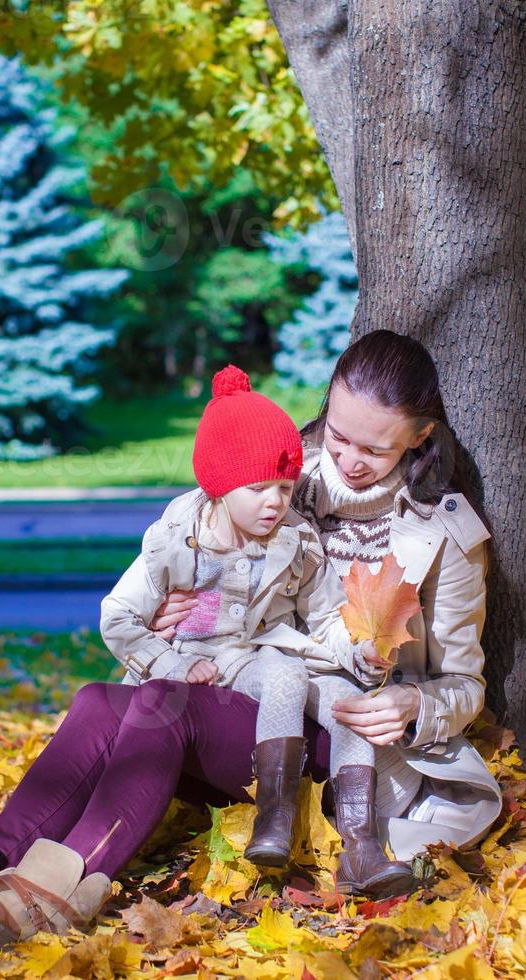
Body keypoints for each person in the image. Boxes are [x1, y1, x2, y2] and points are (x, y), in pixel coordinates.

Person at [0, 329, 501, 949]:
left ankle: (46, 899)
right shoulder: (280, 473)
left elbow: (465, 685)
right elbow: (220, 565)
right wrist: (183, 616)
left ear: (419, 438)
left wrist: (414, 710)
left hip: (334, 734)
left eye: (374, 449)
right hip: (242, 684)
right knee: (100, 702)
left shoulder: (444, 534)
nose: (347, 461)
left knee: (162, 710)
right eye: (339, 434)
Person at [99, 364, 411, 896]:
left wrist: (361, 653)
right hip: (213, 665)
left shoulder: (295, 540)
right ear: (220, 484)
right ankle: (275, 817)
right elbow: (118, 617)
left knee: (349, 706)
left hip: (268, 654)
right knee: (285, 675)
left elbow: (326, 615)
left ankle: (361, 850)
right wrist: (171, 663)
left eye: (286, 488)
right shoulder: (176, 539)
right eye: (260, 487)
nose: (276, 501)